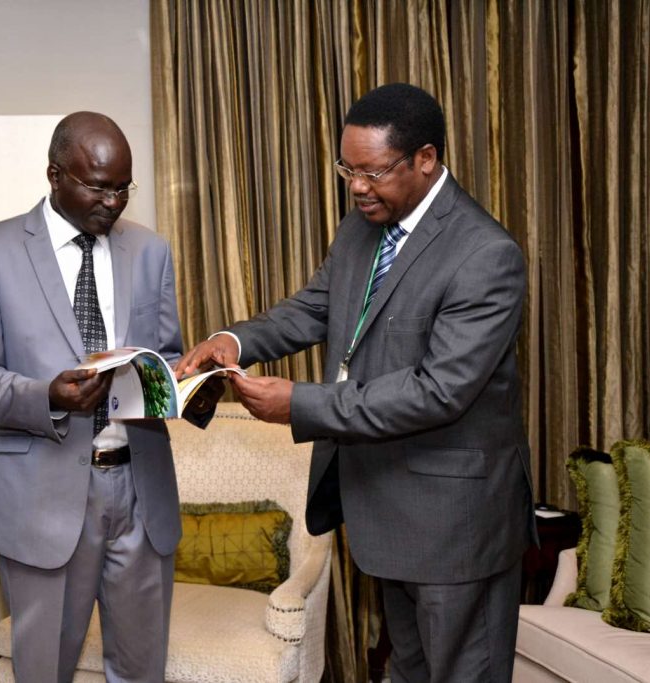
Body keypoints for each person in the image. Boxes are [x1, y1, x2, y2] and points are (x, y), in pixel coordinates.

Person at [178, 83, 536, 683]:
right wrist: (234, 341)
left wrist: (301, 405)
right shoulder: (365, 225)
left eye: (373, 172)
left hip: (455, 525)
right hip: (385, 508)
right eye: (347, 169)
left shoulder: (484, 254)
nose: (357, 187)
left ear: (426, 159)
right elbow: (315, 308)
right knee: (409, 673)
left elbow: (437, 391)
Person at [0, 112, 216, 682]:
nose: (114, 201)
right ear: (54, 175)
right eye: (99, 186)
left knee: (141, 671)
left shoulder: (150, 251)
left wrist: (189, 382)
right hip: (42, 496)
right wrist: (47, 394)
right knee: (45, 670)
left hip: (141, 491)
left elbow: (165, 354)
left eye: (124, 188)